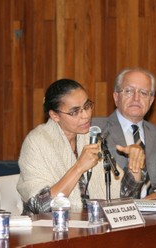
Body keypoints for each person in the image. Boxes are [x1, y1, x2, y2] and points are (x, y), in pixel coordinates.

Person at [16, 79, 146, 215]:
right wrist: (79, 167)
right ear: (55, 115)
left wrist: (135, 164)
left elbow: (123, 197)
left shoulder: (92, 139)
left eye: (87, 106)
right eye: (75, 112)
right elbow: (40, 207)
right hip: (47, 230)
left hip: (90, 225)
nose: (86, 115)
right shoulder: (36, 142)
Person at [92, 67, 156, 199]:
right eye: (129, 91)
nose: (136, 98)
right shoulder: (96, 129)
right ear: (116, 97)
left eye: (143, 93)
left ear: (151, 100)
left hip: (154, 214)